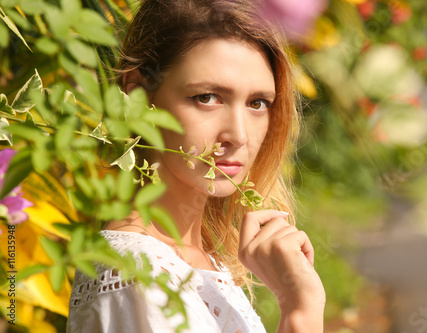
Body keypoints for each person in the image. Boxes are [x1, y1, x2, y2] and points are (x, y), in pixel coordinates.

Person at [67, 0, 325, 332]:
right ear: (138, 96)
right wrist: (300, 312)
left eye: (257, 103)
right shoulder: (136, 273)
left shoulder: (195, 261)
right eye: (207, 97)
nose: (239, 135)